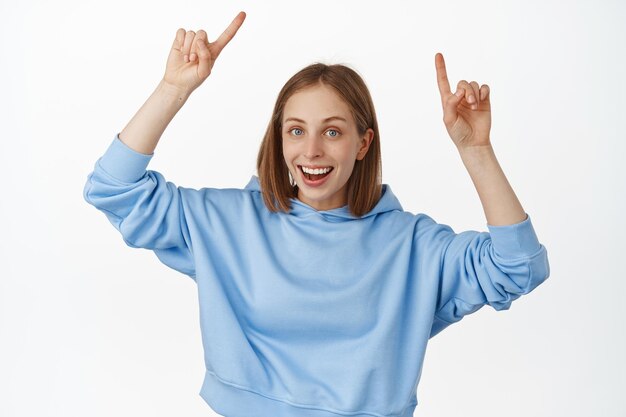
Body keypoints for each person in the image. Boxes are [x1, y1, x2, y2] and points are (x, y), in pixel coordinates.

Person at [83, 11, 550, 417]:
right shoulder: (229, 223)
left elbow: (519, 267)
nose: (310, 150)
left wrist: (476, 149)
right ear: (279, 139)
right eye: (296, 130)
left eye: (332, 132)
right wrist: (172, 89)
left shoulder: (412, 247)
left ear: (363, 143)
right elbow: (113, 189)